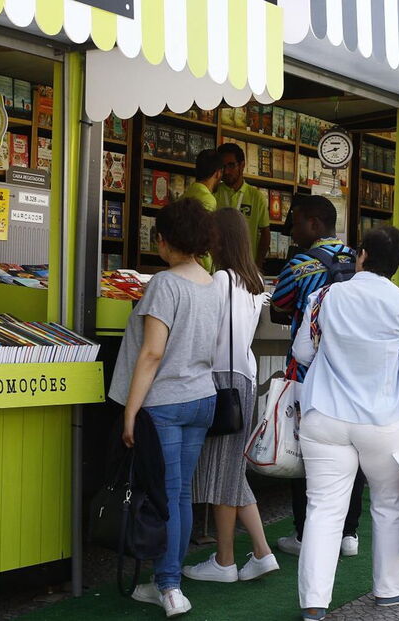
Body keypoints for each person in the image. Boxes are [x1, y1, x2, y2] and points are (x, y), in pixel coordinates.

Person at [292, 226, 399, 620]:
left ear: (363, 255)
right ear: (398, 264)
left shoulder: (324, 296)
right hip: (386, 422)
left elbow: (303, 352)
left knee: (323, 510)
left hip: (325, 418)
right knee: (389, 505)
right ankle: (390, 589)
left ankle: (314, 605)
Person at [108, 198, 222, 617]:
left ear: (166, 238)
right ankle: (170, 577)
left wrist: (130, 412)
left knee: (166, 495)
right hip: (201, 398)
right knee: (181, 494)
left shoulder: (165, 284)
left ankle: (169, 586)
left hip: (166, 402)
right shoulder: (211, 283)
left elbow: (152, 354)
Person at [184, 208, 280, 583]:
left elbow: (206, 333)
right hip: (246, 378)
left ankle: (228, 560)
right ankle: (259, 552)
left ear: (219, 238)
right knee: (231, 471)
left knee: (225, 472)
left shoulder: (220, 279)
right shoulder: (253, 279)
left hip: (221, 380)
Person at [271, 194, 365, 557]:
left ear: (313, 224)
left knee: (306, 452)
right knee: (351, 451)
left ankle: (304, 532)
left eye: (295, 222)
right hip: (351, 371)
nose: (292, 230)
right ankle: (349, 533)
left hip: (310, 372)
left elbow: (279, 304)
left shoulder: (300, 263)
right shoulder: (356, 257)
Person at [214, 143, 270, 268]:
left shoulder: (257, 197)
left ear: (242, 165)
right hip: (218, 267)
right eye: (223, 167)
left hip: (246, 268)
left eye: (231, 165)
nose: (227, 171)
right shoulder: (213, 193)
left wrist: (257, 266)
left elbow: (265, 234)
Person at [184, 149, 223, 271]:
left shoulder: (186, 194)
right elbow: (202, 238)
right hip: (201, 266)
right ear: (218, 173)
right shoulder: (208, 199)